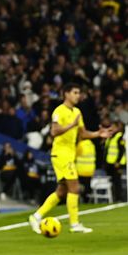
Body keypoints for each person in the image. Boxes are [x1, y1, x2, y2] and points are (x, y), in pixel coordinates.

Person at [28, 83, 111, 234]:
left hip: (69, 155)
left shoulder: (77, 112)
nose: (77, 95)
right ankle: (74, 224)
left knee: (61, 191)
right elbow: (54, 131)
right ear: (66, 94)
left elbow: (82, 134)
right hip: (61, 154)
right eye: (75, 92)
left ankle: (36, 216)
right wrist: (71, 125)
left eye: (79, 93)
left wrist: (98, 134)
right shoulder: (59, 111)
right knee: (74, 187)